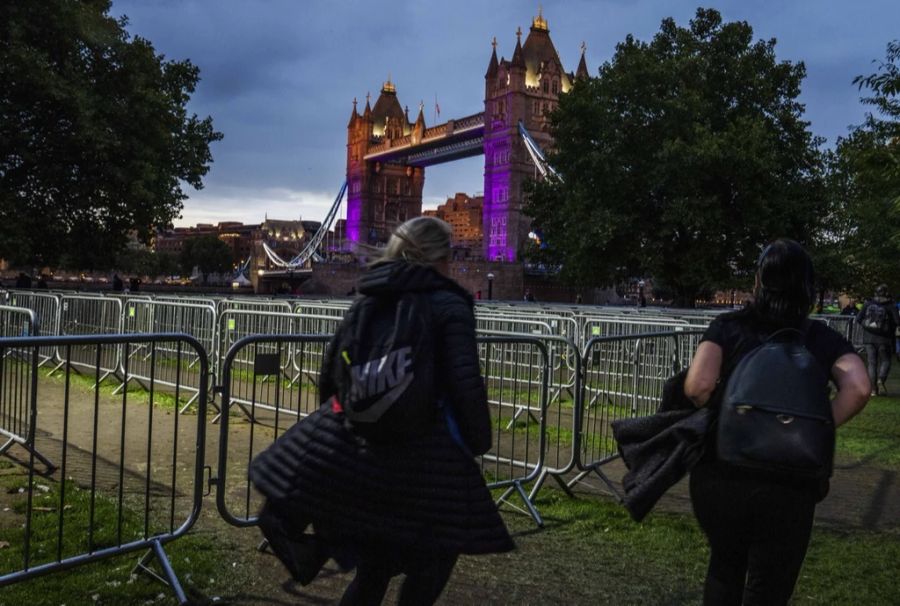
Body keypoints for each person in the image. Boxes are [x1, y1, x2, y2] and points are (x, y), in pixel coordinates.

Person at [249, 216, 513, 605]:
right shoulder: (449, 303)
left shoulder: (367, 297)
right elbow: (465, 383)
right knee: (436, 555)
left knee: (374, 569)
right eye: (450, 254)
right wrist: (477, 441)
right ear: (438, 257)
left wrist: (341, 440)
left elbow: (330, 375)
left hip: (365, 457)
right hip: (425, 459)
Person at [683, 238, 870, 605]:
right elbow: (859, 387)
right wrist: (819, 425)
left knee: (724, 568)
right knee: (771, 582)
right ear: (808, 287)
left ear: (758, 281)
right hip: (791, 480)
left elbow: (698, 386)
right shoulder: (820, 337)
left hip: (725, 471)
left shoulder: (728, 326)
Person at [856, 284, 900, 396]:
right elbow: (897, 321)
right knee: (886, 360)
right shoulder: (891, 305)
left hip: (868, 338)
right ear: (886, 292)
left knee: (872, 363)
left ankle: (873, 390)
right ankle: (881, 379)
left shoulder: (868, 304)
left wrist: (868, 327)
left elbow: (858, 319)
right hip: (885, 339)